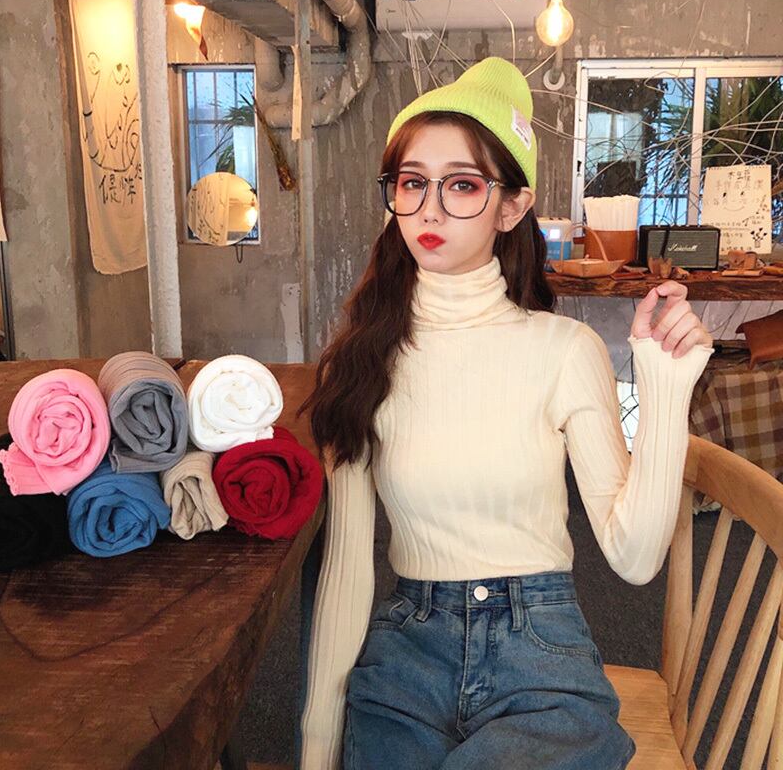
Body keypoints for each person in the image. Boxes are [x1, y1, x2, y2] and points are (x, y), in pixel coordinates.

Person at [296, 56, 714, 770]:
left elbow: (635, 557)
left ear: (512, 207)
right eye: (411, 183)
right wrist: (315, 748)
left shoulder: (564, 350)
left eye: (462, 185)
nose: (430, 210)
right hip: (407, 654)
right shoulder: (359, 362)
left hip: (540, 654)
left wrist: (667, 387)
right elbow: (348, 571)